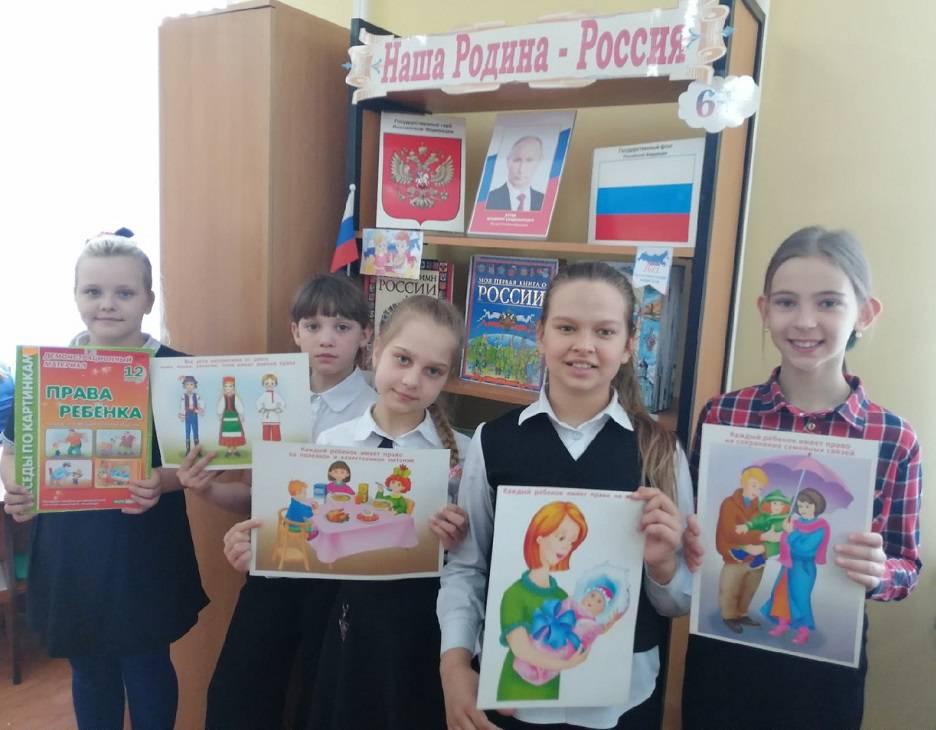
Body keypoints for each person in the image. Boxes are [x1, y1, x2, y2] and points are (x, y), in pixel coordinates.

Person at [681, 226, 922, 729]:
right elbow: (700, 526)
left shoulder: (894, 437)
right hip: (726, 653)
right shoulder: (724, 415)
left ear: (864, 313)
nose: (805, 321)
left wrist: (879, 572)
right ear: (764, 310)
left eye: (829, 302)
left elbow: (907, 566)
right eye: (787, 302)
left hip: (824, 668)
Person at [439, 261, 694, 730]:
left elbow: (678, 602)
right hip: (510, 696)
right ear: (540, 335)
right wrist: (453, 665)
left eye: (605, 331)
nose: (584, 345)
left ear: (629, 344)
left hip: (624, 702)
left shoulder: (661, 452)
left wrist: (661, 567)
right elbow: (467, 568)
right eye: (566, 327)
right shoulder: (493, 442)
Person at [221, 295, 472, 729]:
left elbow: (468, 564)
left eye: (433, 371)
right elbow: (304, 533)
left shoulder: (462, 454)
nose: (412, 380)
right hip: (342, 625)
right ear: (375, 351)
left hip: (417, 629)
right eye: (402, 359)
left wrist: (457, 537)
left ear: (446, 377)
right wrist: (255, 550)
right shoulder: (332, 443)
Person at [1, 231, 208, 730]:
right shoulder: (47, 370)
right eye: (93, 291)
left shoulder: (180, 370)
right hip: (71, 545)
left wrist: (163, 480)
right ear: (75, 295)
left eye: (124, 293)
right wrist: (20, 486)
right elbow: (12, 451)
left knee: (147, 662)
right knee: (88, 663)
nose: (108, 304)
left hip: (144, 543)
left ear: (148, 300)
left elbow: (201, 461)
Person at [177, 273, 378, 729]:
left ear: (365, 335)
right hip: (273, 562)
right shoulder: (271, 403)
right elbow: (255, 496)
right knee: (237, 690)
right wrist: (205, 489)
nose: (326, 339)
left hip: (339, 578)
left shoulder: (375, 408)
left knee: (320, 692)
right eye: (312, 326)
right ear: (295, 332)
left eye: (342, 327)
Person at [760, 487, 831, 645]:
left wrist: (790, 533)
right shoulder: (795, 523)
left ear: (816, 506)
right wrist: (785, 531)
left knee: (800, 598)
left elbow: (805, 550)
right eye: (799, 506)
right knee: (781, 594)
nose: (802, 509)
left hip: (804, 569)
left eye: (807, 506)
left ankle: (803, 631)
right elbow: (784, 544)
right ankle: (782, 624)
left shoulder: (821, 526)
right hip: (788, 566)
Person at [486, 136, 545, 212]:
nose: (521, 170)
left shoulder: (544, 201)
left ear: (539, 162)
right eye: (517, 160)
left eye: (529, 161)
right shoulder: (489, 199)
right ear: (508, 161)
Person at [256, 373, 285, 441]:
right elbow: (258, 402)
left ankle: (277, 444)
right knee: (266, 433)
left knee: (276, 432)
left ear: (275, 384)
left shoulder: (277, 395)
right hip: (266, 415)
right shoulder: (263, 395)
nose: (269, 385)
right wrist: (261, 409)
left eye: (272, 383)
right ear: (263, 384)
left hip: (275, 415)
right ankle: (266, 444)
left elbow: (282, 403)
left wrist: (280, 409)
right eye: (267, 383)